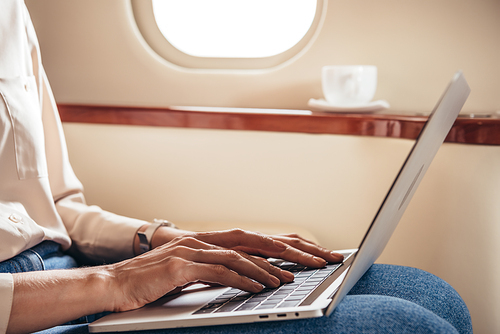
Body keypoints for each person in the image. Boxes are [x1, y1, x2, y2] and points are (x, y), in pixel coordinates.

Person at [0, 1, 472, 333]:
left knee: (429, 293)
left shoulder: (12, 13)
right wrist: (112, 282)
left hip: (68, 264)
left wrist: (166, 241)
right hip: (28, 309)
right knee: (407, 325)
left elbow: (57, 205)